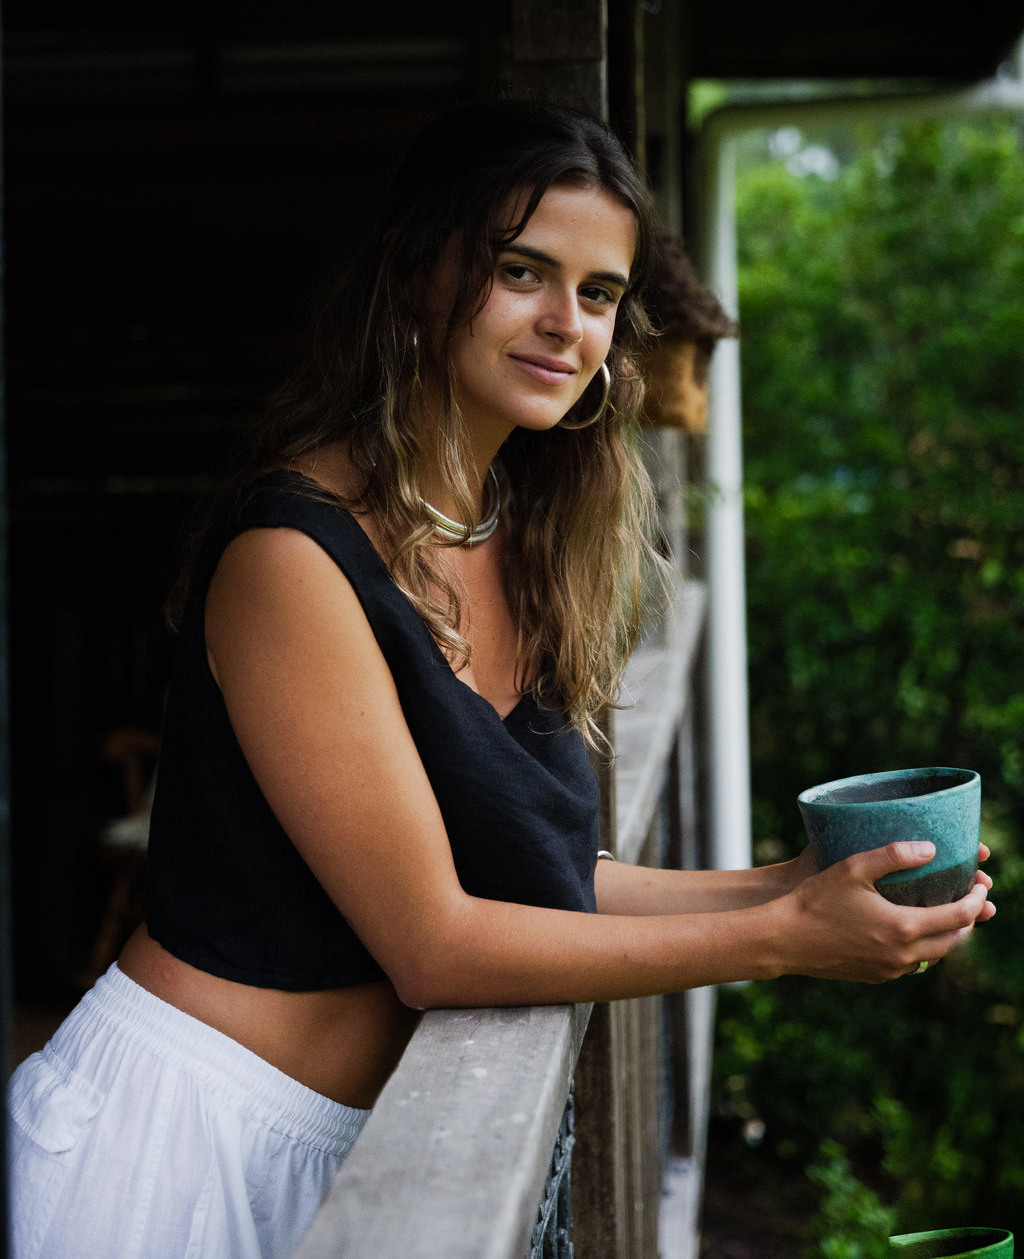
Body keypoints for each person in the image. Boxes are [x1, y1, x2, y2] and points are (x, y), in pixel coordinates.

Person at [8, 98, 995, 1259]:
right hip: (179, 1148)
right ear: (422, 275)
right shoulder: (291, 557)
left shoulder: (512, 533)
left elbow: (541, 874)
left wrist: (802, 884)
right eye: (522, 271)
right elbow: (436, 939)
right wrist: (782, 938)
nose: (564, 325)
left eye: (598, 293)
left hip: (358, 1147)